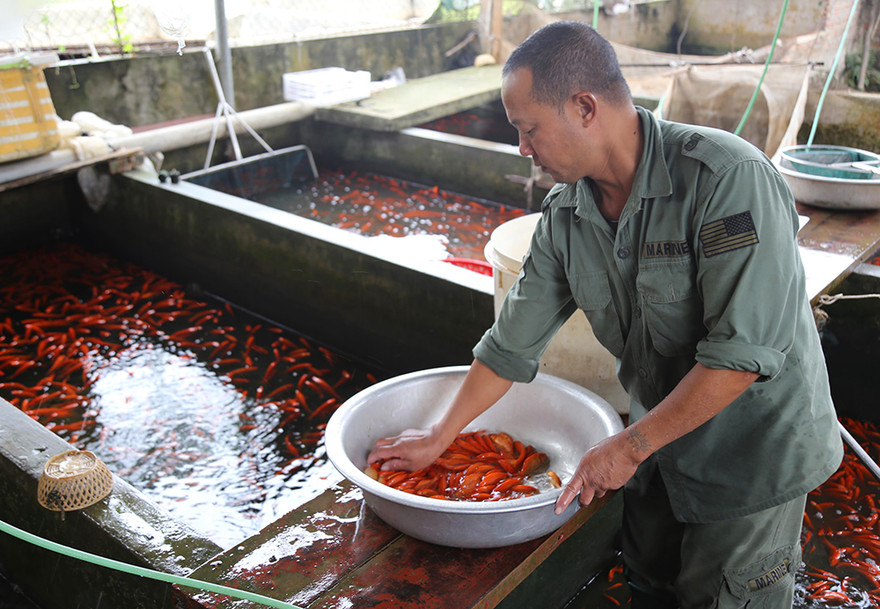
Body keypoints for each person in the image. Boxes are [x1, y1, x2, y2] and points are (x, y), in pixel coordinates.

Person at [367, 20, 843, 609]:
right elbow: (509, 345)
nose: (523, 149)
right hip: (657, 446)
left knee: (723, 597)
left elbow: (739, 359)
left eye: (528, 129)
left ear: (585, 108)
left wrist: (627, 448)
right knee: (649, 585)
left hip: (750, 454)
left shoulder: (728, 180)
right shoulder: (566, 215)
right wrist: (439, 437)